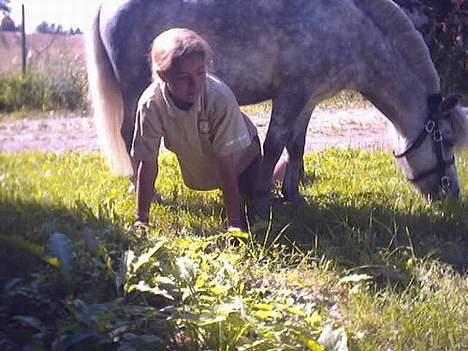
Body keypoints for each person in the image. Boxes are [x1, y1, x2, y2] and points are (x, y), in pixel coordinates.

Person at [131, 28, 264, 231]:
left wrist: (234, 225)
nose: (195, 84)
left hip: (242, 158)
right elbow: (147, 162)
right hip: (205, 160)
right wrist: (142, 220)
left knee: (256, 197)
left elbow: (227, 167)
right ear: (163, 76)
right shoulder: (151, 104)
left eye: (200, 73)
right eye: (184, 77)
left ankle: (280, 169)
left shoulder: (219, 98)